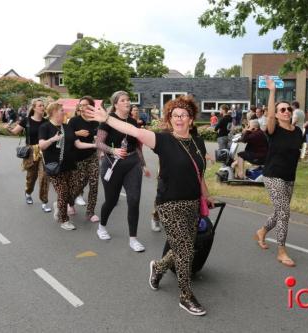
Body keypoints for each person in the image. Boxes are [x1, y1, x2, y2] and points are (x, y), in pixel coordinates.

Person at [85, 95, 213, 316]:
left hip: (192, 202)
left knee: (183, 247)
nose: (179, 119)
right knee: (184, 250)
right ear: (169, 119)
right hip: (170, 203)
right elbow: (134, 131)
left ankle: (158, 267)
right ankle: (185, 296)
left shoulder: (197, 141)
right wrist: (107, 119)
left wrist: (205, 195)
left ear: (191, 119)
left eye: (184, 115)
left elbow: (199, 173)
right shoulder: (163, 140)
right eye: (175, 115)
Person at [254, 77, 304, 268]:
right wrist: (272, 92)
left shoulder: (298, 132)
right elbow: (271, 117)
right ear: (277, 113)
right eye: (282, 109)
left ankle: (262, 231)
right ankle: (281, 251)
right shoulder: (273, 129)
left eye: (288, 109)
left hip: (289, 176)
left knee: (279, 212)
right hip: (273, 175)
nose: (286, 111)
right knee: (285, 213)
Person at [94, 91, 150, 252]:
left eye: (128, 100)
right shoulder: (107, 120)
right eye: (123, 100)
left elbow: (138, 146)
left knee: (134, 200)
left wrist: (143, 164)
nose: (127, 102)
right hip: (112, 163)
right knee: (111, 200)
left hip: (132, 163)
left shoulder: (133, 121)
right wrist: (113, 150)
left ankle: (133, 239)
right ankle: (102, 227)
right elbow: (98, 143)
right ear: (116, 104)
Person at [38, 102, 96, 230]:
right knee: (63, 192)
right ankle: (63, 219)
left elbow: (78, 144)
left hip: (70, 165)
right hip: (55, 167)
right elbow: (42, 145)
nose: (64, 112)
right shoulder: (45, 127)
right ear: (53, 112)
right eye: (61, 110)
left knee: (72, 192)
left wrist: (94, 145)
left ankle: (58, 204)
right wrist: (52, 140)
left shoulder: (67, 127)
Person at [7, 98, 51, 213]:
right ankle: (28, 192)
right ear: (34, 108)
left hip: (44, 151)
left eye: (43, 105)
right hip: (31, 152)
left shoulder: (46, 122)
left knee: (44, 176)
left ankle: (44, 201)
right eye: (40, 105)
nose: (42, 107)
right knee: (31, 177)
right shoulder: (26, 121)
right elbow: (15, 132)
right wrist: (8, 128)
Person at [67, 96, 100, 222]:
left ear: (91, 106)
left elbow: (99, 137)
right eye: (81, 105)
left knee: (94, 184)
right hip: (77, 157)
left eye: (86, 104)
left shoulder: (96, 121)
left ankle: (90, 212)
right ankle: (70, 202)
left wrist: (98, 141)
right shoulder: (74, 121)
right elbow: (67, 136)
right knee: (79, 184)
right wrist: (77, 133)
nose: (83, 107)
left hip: (92, 156)